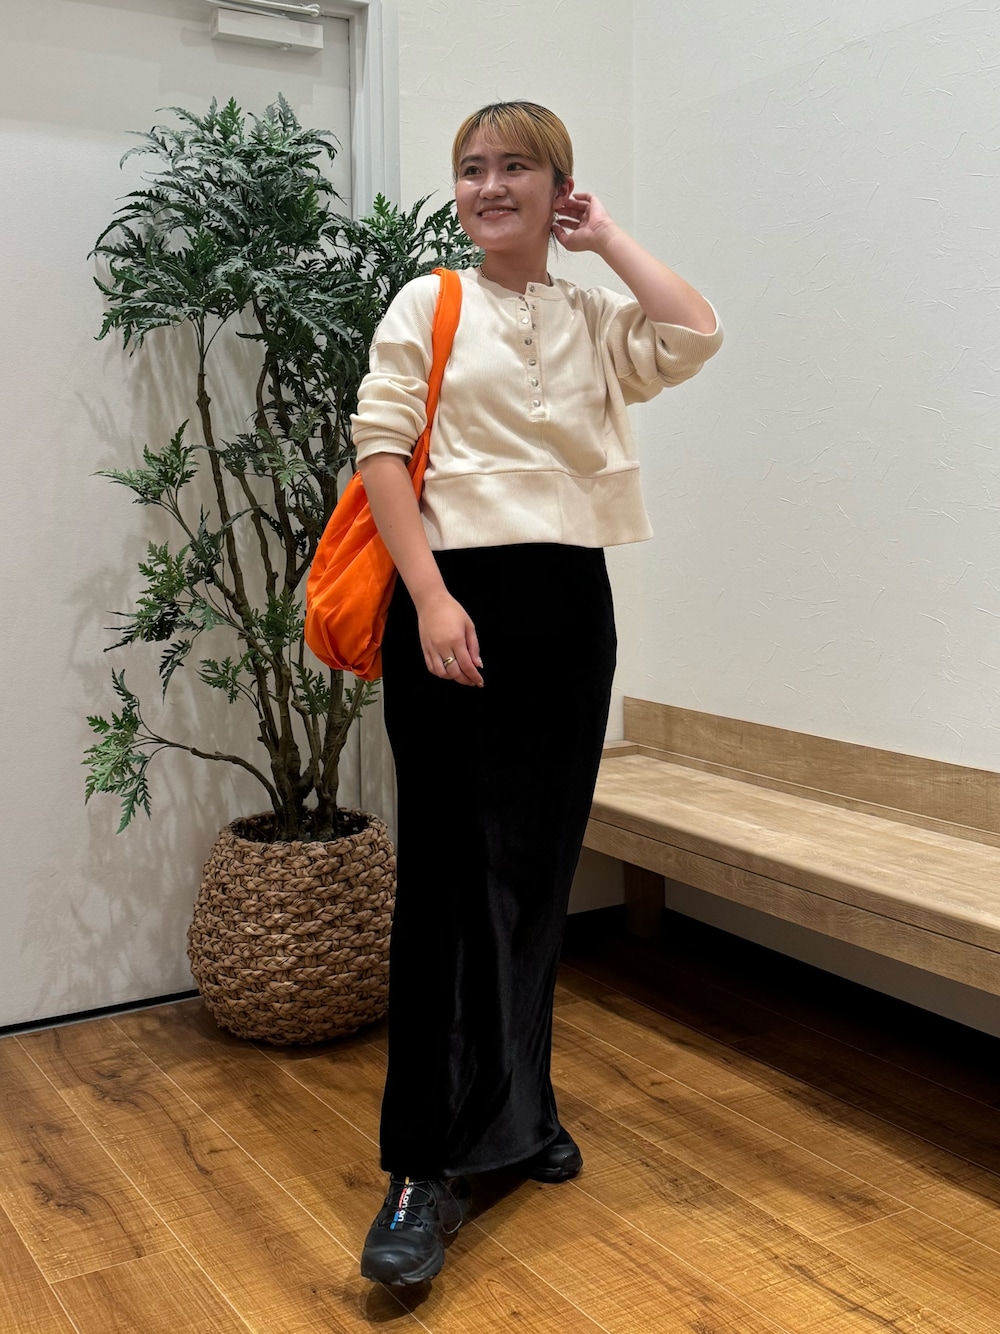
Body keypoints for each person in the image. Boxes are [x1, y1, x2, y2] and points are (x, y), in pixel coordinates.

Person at [351, 101, 723, 1287]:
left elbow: (695, 332)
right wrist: (429, 597)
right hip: (453, 604)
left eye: (517, 166)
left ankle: (519, 1113)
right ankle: (420, 1167)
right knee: (449, 883)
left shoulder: (593, 315)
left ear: (558, 186)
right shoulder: (428, 302)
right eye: (472, 168)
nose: (489, 185)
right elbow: (379, 451)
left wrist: (604, 238)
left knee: (534, 873)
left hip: (570, 606)